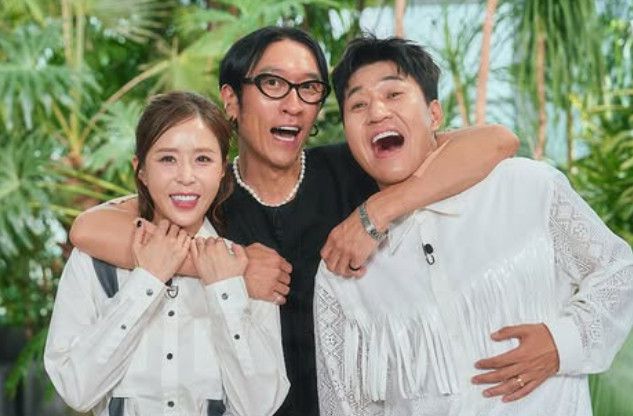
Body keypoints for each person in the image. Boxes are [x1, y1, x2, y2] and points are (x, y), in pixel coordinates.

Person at [68, 27, 519, 415]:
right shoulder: (205, 191)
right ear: (231, 100)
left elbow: (496, 141)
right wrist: (231, 266)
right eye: (273, 84)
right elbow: (89, 228)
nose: (293, 104)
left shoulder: (355, 170)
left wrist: (376, 213)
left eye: (309, 88)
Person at [314, 35, 633, 416]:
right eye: (358, 104)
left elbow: (619, 271)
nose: (377, 112)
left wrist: (561, 344)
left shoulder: (527, 187)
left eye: (394, 94)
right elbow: (346, 406)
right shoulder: (341, 275)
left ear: (434, 115)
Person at [44, 92, 288, 416]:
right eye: (167, 159)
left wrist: (226, 290)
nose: (186, 176)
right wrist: (147, 282)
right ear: (141, 171)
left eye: (203, 159)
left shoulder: (244, 268)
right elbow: (77, 390)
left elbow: (259, 406)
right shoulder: (92, 261)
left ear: (222, 171)